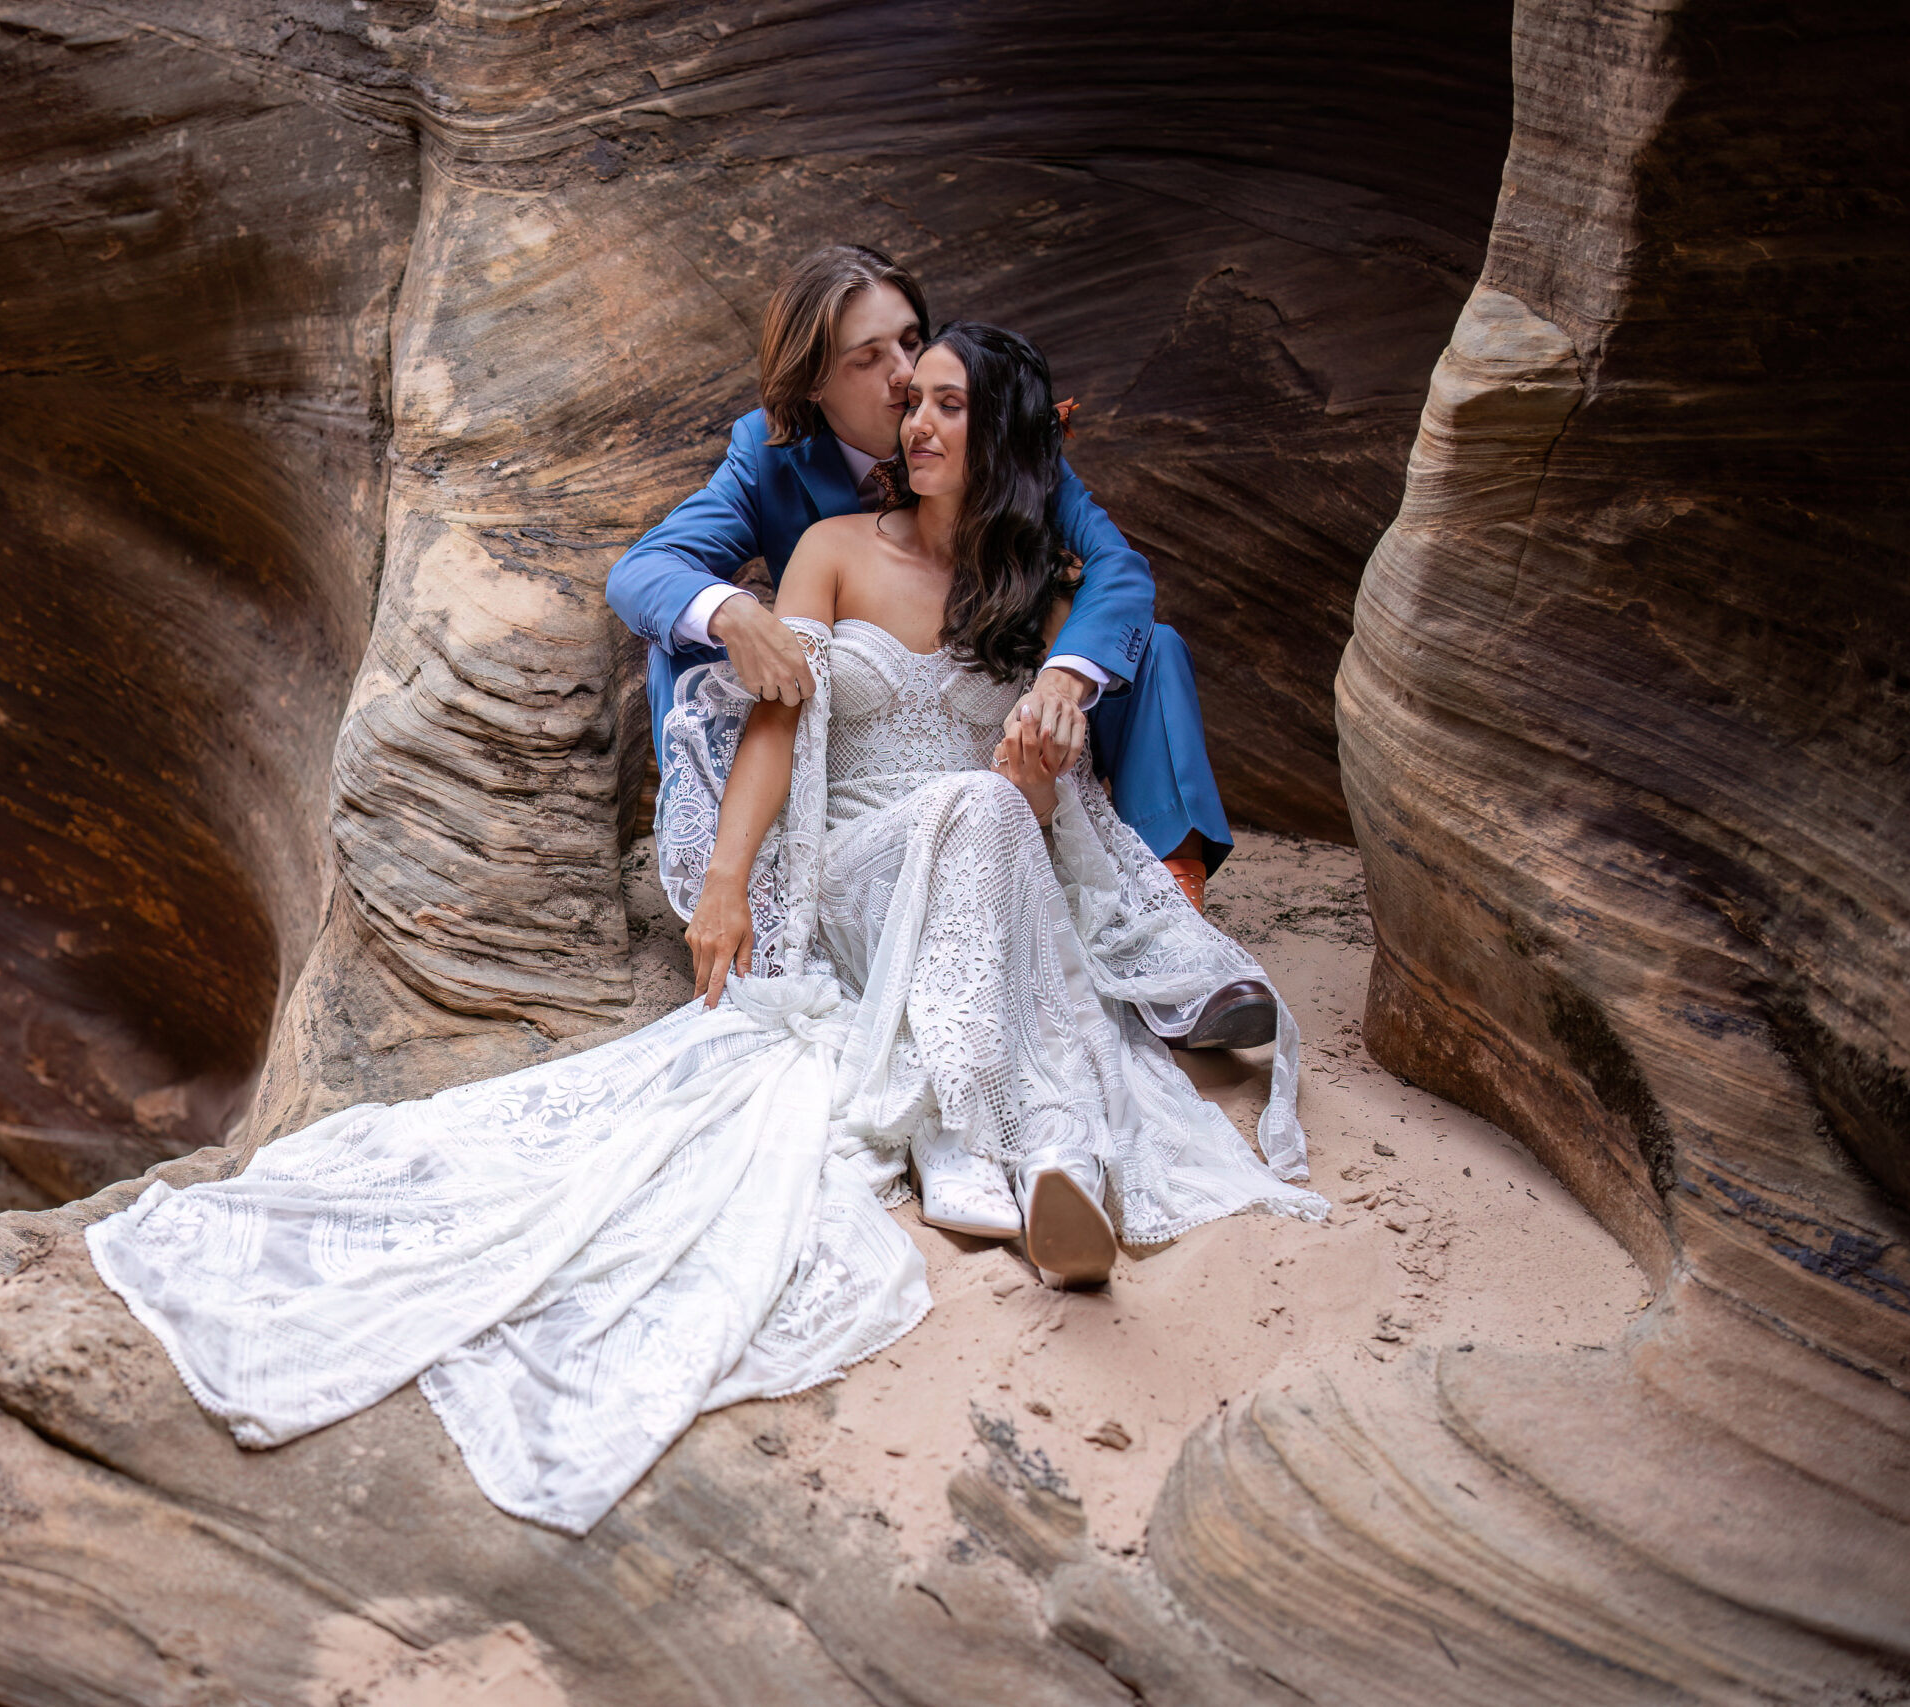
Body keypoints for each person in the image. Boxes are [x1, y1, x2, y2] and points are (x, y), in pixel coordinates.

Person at [87, 320, 1323, 1540]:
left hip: (981, 858)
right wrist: (728, 879)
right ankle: (1000, 1144)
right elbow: (778, 727)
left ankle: (1040, 1164)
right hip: (854, 866)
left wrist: (1037, 750)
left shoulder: (1034, 582)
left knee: (992, 807)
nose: (920, 418)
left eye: (949, 403)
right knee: (969, 806)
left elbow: (1056, 741)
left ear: (1002, 434)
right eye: (913, 398)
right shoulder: (832, 547)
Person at [605, 245, 1271, 1044]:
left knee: (1143, 644)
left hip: (984, 735)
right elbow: (644, 569)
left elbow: (1118, 568)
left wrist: (1062, 677)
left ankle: (1167, 887)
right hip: (832, 711)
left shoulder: (998, 434)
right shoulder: (770, 457)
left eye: (912, 341)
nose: (902, 374)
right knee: (688, 641)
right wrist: (734, 614)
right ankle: (729, 893)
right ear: (816, 384)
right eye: (870, 357)